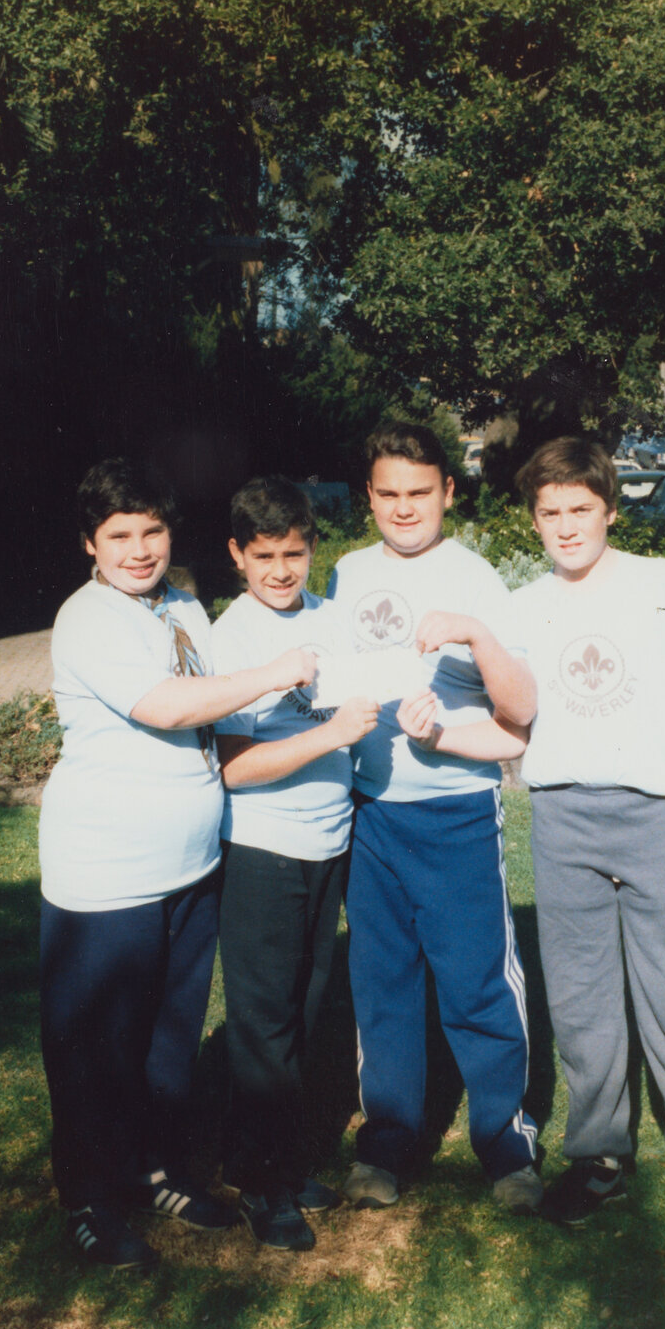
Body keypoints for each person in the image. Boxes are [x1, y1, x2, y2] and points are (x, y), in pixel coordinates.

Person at [38, 458, 316, 1270]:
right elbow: (164, 706)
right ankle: (89, 1200)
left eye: (151, 531)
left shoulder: (183, 605)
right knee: (96, 1049)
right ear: (89, 544)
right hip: (108, 873)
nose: (138, 549)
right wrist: (274, 671)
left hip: (190, 866)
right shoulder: (87, 617)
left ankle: (154, 1170)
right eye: (119, 535)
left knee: (168, 1037)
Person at [509, 435, 665, 1232]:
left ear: (610, 510)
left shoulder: (661, 583)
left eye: (580, 508)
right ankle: (599, 1157)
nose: (565, 525)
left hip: (653, 816)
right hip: (562, 819)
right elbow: (507, 715)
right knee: (580, 998)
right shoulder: (523, 605)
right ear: (533, 520)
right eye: (549, 512)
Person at [326, 423, 543, 1215]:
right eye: (387, 493)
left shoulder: (476, 578)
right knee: (380, 982)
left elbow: (521, 710)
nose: (403, 508)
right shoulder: (346, 573)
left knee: (476, 981)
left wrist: (474, 636)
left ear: (448, 491)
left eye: (419, 492)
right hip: (368, 811)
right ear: (368, 495)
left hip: (454, 812)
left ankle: (506, 1144)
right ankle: (386, 1141)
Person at [211, 476, 380, 1251]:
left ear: (313, 547)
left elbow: (358, 703)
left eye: (293, 553)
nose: (280, 570)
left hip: (326, 841)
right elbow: (236, 767)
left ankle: (273, 1156)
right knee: (264, 1023)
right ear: (236, 555)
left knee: (303, 1010)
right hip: (262, 850)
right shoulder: (233, 637)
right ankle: (262, 1182)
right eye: (263, 556)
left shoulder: (330, 618)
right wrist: (331, 734)